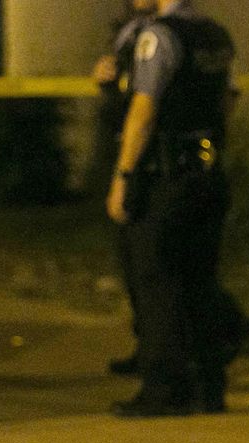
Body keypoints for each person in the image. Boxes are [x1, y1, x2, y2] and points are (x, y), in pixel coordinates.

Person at [105, 0, 249, 416]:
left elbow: (143, 110)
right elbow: (228, 98)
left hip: (164, 177)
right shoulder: (216, 35)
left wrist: (124, 176)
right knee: (201, 280)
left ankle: (165, 388)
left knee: (158, 283)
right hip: (206, 174)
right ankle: (210, 386)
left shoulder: (157, 36)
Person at [91, 0, 156, 377]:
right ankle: (146, 344)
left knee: (153, 267)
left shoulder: (166, 32)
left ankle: (162, 354)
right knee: (132, 262)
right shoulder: (127, 30)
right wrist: (107, 80)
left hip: (147, 158)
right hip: (123, 144)